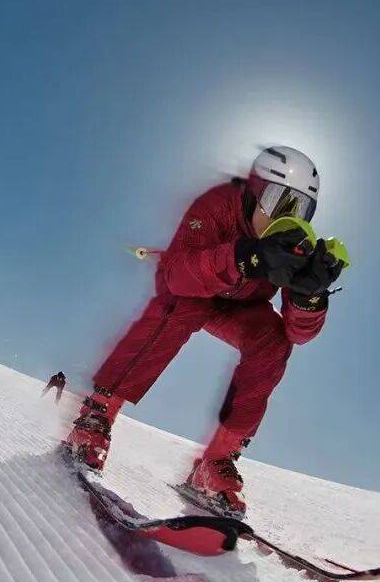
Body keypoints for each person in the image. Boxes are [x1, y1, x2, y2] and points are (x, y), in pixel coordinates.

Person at [62, 146, 345, 517]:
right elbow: (175, 276)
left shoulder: (294, 245)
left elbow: (298, 333)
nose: (285, 216)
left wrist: (310, 297)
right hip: (194, 290)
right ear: (254, 190)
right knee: (179, 304)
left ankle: (214, 464)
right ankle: (96, 416)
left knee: (273, 342)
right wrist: (244, 257)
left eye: (300, 208)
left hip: (240, 308)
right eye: (278, 200)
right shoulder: (217, 205)